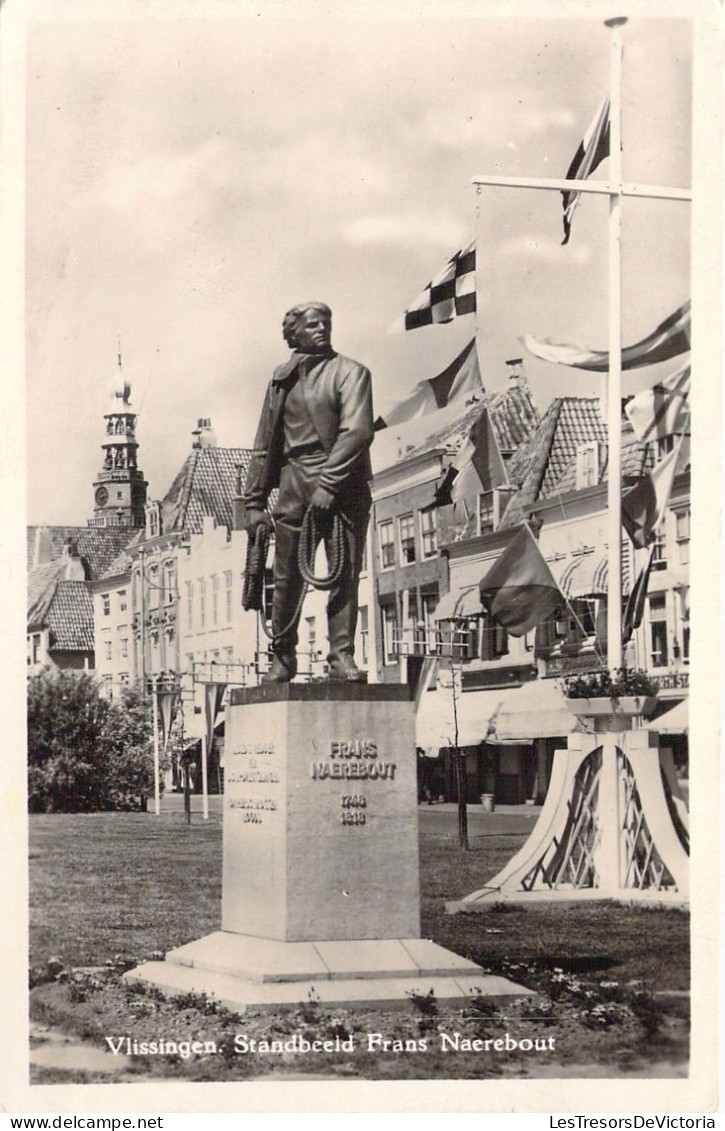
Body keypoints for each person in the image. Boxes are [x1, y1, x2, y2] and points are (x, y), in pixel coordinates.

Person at [243, 302, 374, 683]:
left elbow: (358, 432)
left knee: (344, 574)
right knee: (285, 577)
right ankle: (282, 657)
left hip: (343, 483)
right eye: (313, 325)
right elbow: (265, 443)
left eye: (326, 323)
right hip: (294, 480)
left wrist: (330, 484)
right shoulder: (282, 379)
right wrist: (253, 502)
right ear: (294, 334)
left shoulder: (351, 373)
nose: (321, 329)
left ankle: (341, 656)